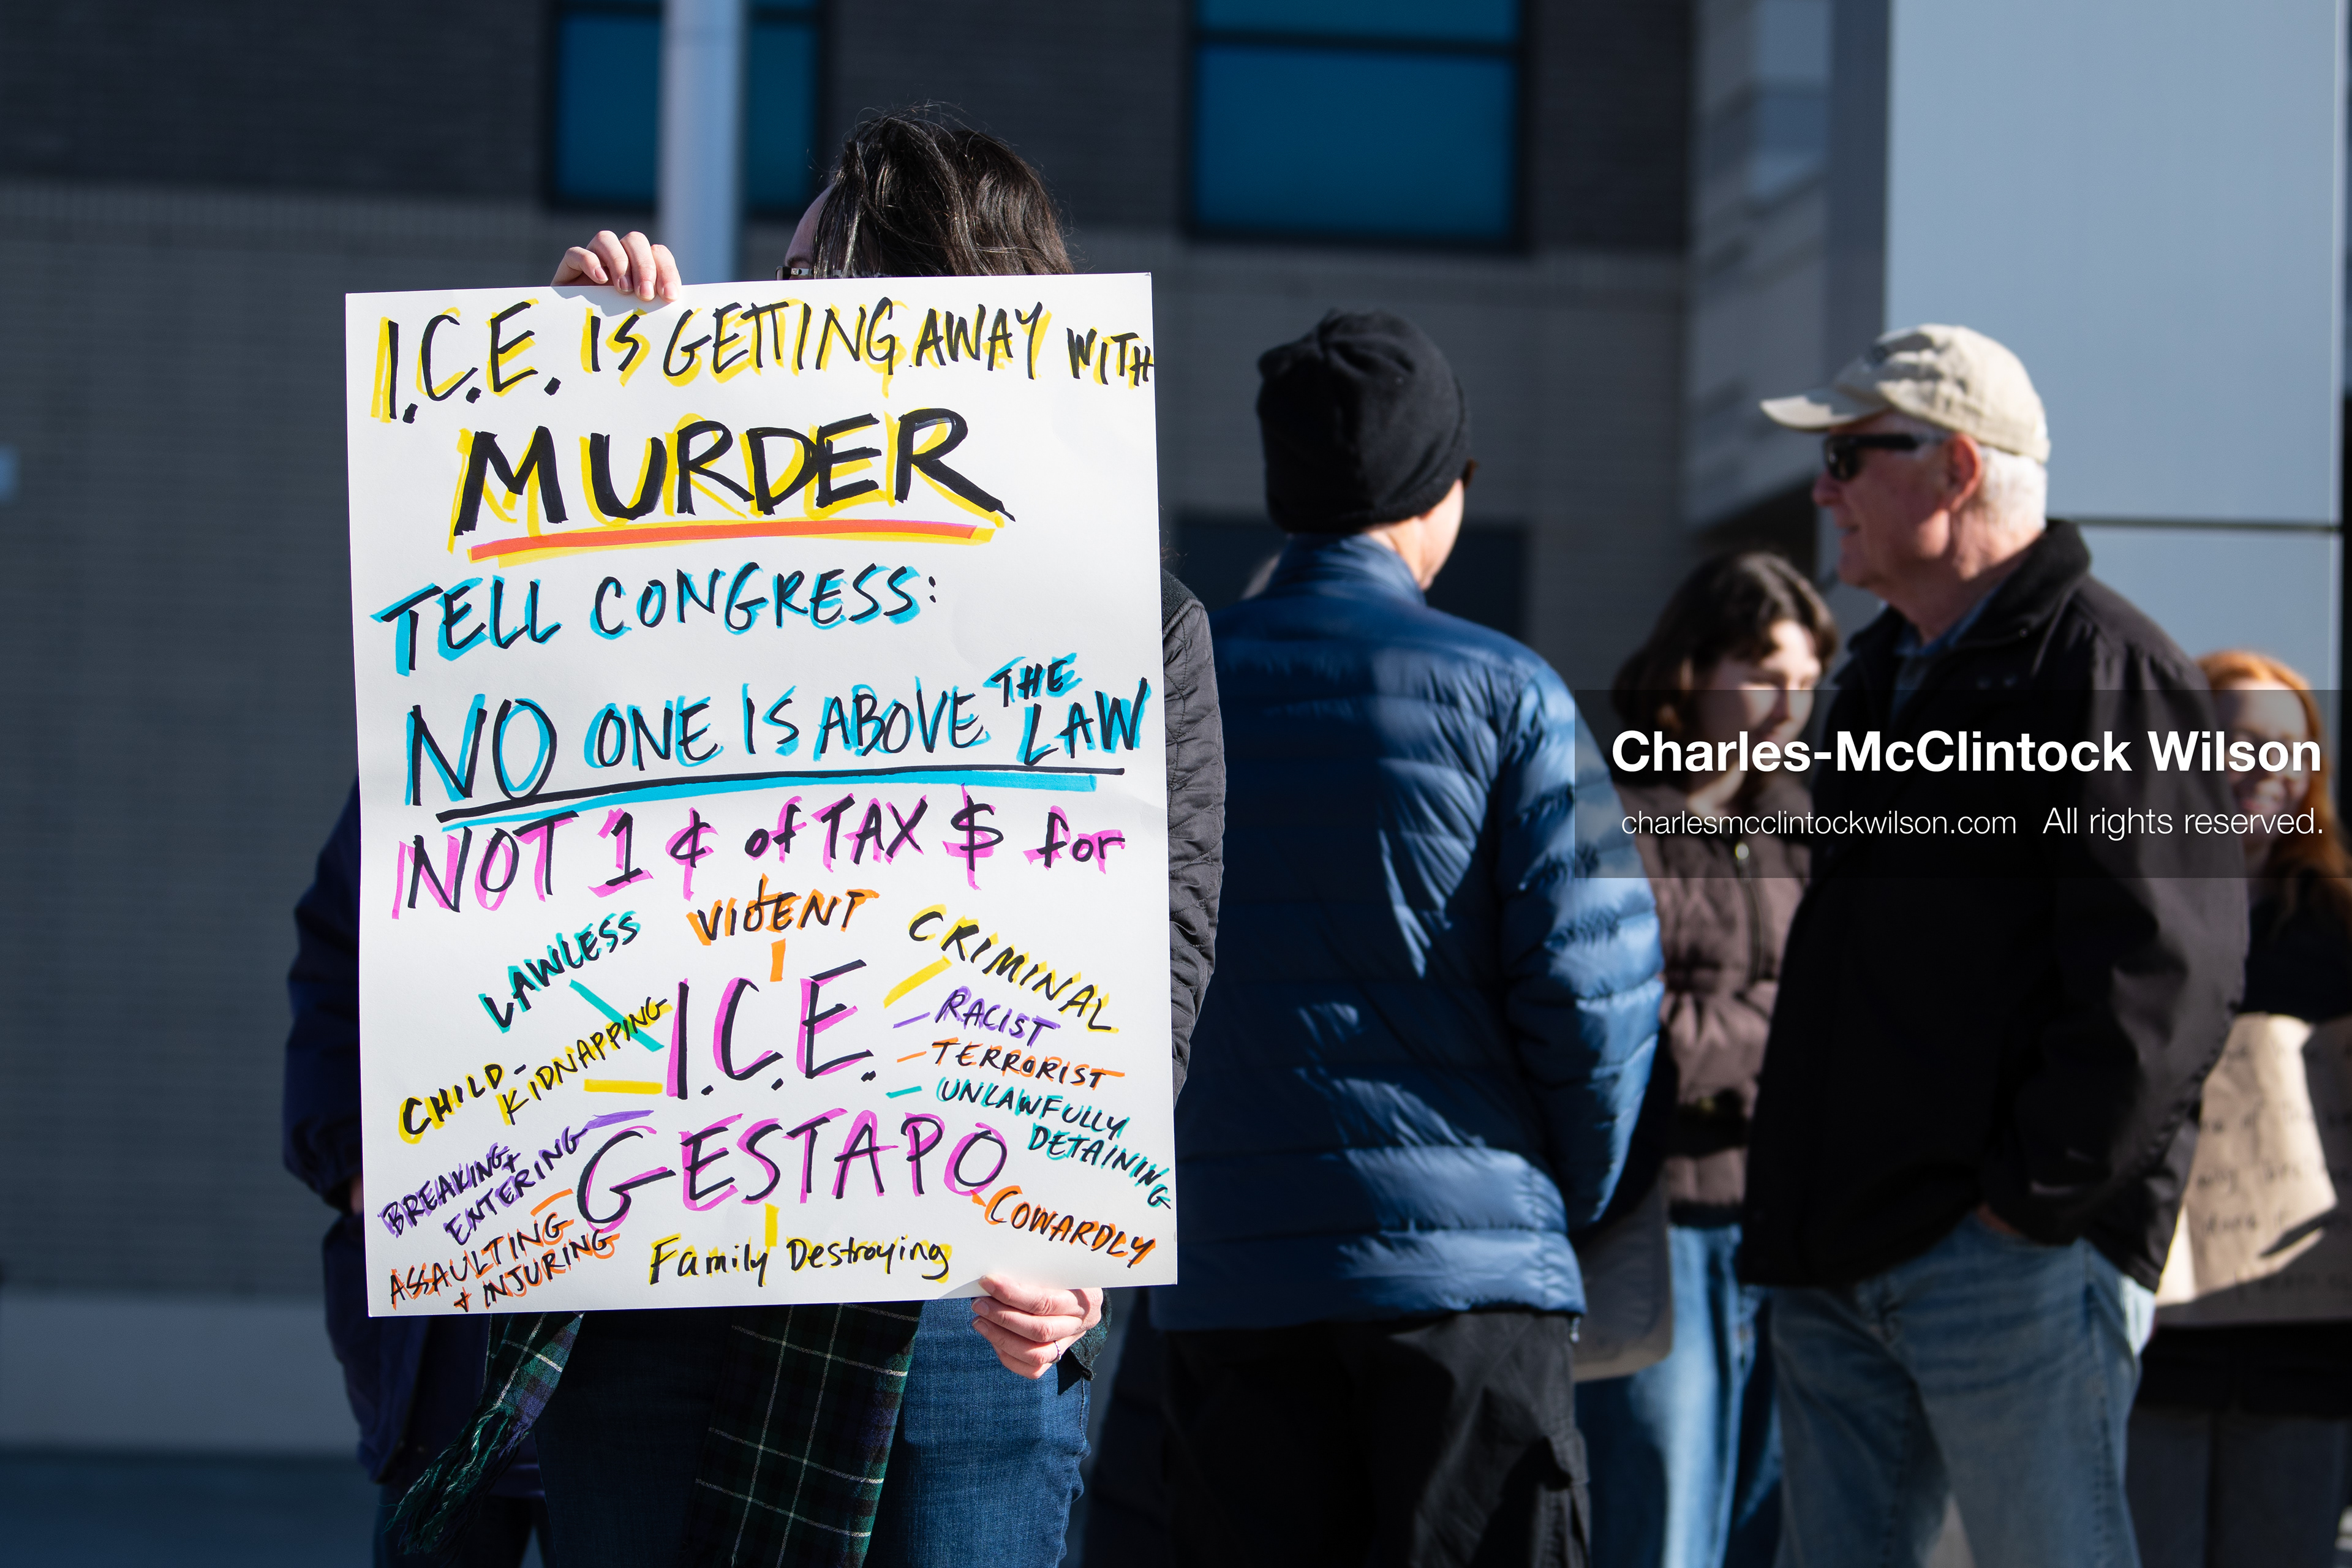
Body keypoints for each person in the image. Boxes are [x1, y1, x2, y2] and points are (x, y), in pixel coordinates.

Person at [390, 110, 1225, 1568]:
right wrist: (579, 404)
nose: (764, 321)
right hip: (660, 1277)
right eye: (771, 289)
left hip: (955, 1310)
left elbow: (1153, 952)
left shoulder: (1120, 625)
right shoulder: (664, 556)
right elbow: (507, 761)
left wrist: (1077, 1233)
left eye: (808, 290)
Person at [1151, 307, 1664, 1567]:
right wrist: (1546, 1196)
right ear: (1447, 487)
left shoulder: (1174, 682)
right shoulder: (1508, 690)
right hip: (1467, 1286)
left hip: (1225, 1275)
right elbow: (1597, 998)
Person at [1738, 324, 2247, 1567]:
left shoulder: (2108, 670)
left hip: (2006, 1260)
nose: (1823, 491)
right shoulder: (1876, 680)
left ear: (1958, 468)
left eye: (1849, 456)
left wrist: (2027, 1204)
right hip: (1839, 1248)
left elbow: (2167, 976)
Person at [1580, 552, 1836, 1568]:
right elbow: (1625, 1030)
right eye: (1766, 674)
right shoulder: (1611, 814)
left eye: (1808, 680)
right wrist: (1788, 1022)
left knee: (1765, 1529)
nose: (1791, 706)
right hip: (1658, 1226)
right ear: (1694, 668)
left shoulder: (1802, 825)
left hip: (1782, 1230)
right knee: (1661, 1525)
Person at [283, 785, 554, 1568]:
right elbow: (336, 967)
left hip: (642, 1346)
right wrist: (357, 1169)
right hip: (445, 1334)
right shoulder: (424, 760)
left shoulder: (694, 751)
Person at [2127, 650, 2352, 1568]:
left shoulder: (2342, 929)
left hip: (2309, 1347)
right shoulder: (2128, 912)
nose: (2265, 768)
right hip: (2156, 1345)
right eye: (2238, 743)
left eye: (2289, 749)